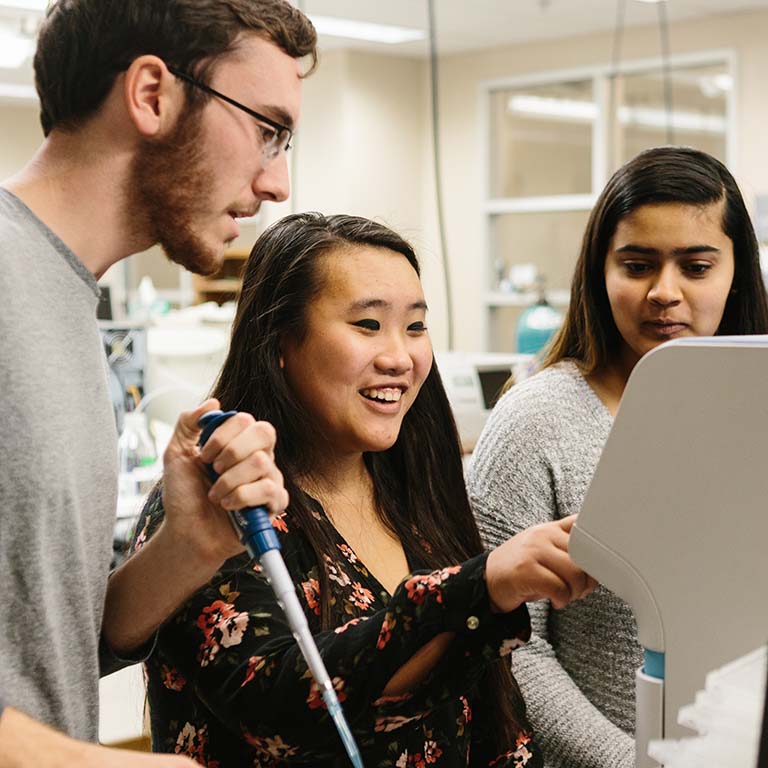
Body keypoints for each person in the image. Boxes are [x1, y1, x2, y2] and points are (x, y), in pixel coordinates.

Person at [130, 213, 597, 766]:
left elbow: (488, 718)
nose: (400, 357)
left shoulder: (415, 494)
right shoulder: (218, 507)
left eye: (416, 327)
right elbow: (280, 709)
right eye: (368, 325)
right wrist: (481, 588)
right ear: (280, 341)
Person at [0, 2, 317, 766]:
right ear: (151, 95)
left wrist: (189, 544)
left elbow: (44, 651)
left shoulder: (65, 296)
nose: (277, 183)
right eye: (268, 130)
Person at [467, 145, 768, 768]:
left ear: (736, 269)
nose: (665, 292)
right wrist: (629, 762)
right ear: (598, 273)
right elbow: (512, 648)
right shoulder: (534, 421)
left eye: (696, 265)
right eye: (637, 265)